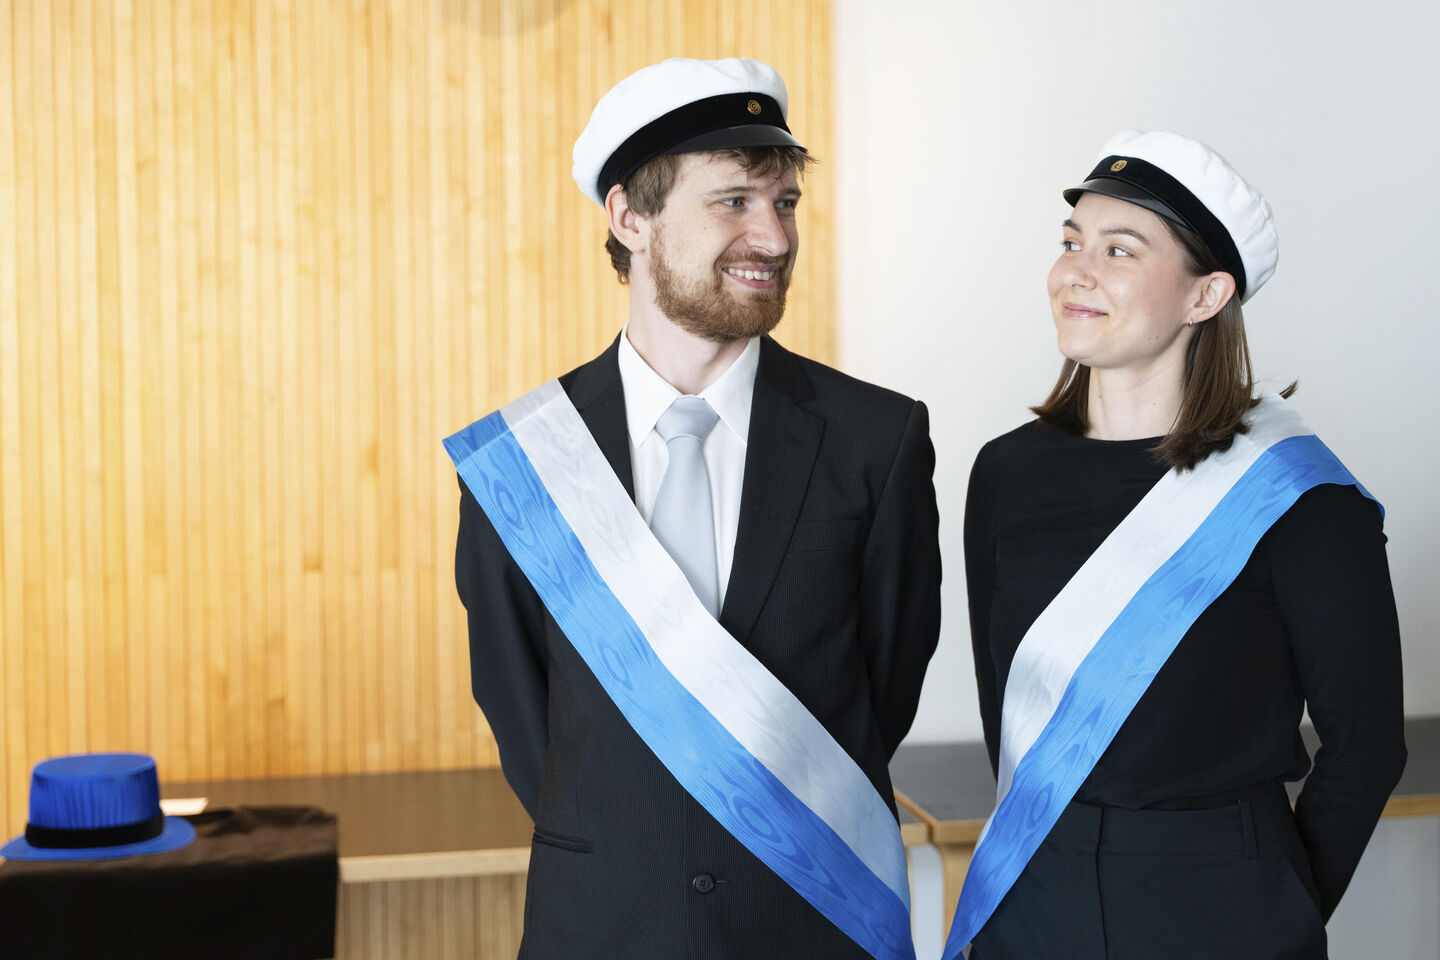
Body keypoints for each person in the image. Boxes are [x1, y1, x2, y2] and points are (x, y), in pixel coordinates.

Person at [447, 57, 940, 960]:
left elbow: (887, 680)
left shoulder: (879, 440)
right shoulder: (519, 462)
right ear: (630, 217)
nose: (776, 237)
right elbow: (528, 718)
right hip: (602, 923)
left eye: (785, 203)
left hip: (815, 918)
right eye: (734, 202)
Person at [950, 130, 1406, 960]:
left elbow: (1368, 744)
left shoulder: (1300, 497)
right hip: (1032, 888)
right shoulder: (1004, 473)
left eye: (1120, 249)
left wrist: (1281, 905)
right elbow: (1007, 714)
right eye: (1070, 243)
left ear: (1206, 296)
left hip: (1219, 899)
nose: (1075, 272)